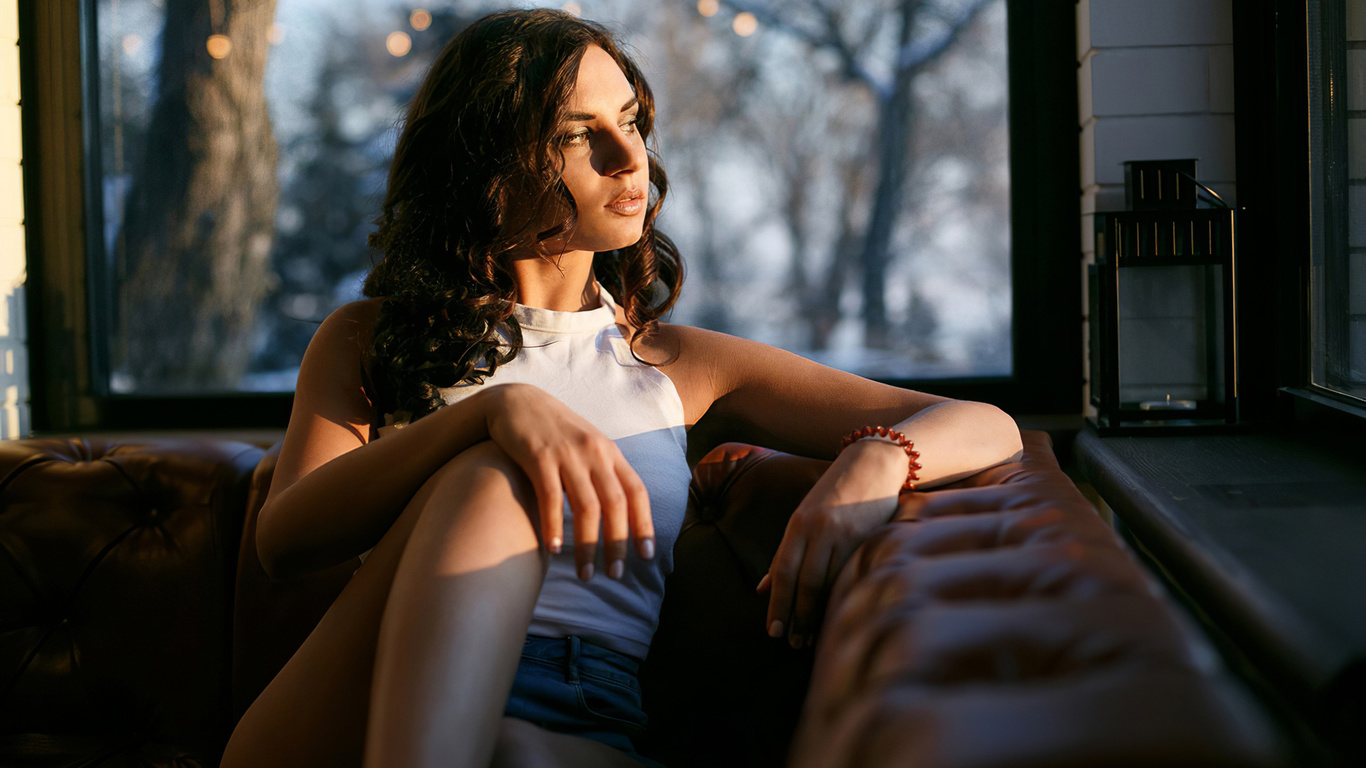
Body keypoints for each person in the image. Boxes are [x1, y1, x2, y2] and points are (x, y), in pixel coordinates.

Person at [221, 9, 1023, 768]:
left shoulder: (672, 360)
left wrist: (875, 462)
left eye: (631, 121)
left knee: (515, 754)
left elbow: (991, 426)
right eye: (580, 135)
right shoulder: (371, 336)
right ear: (489, 162)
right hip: (360, 703)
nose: (628, 156)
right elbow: (282, 540)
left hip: (574, 713)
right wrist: (495, 415)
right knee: (492, 479)